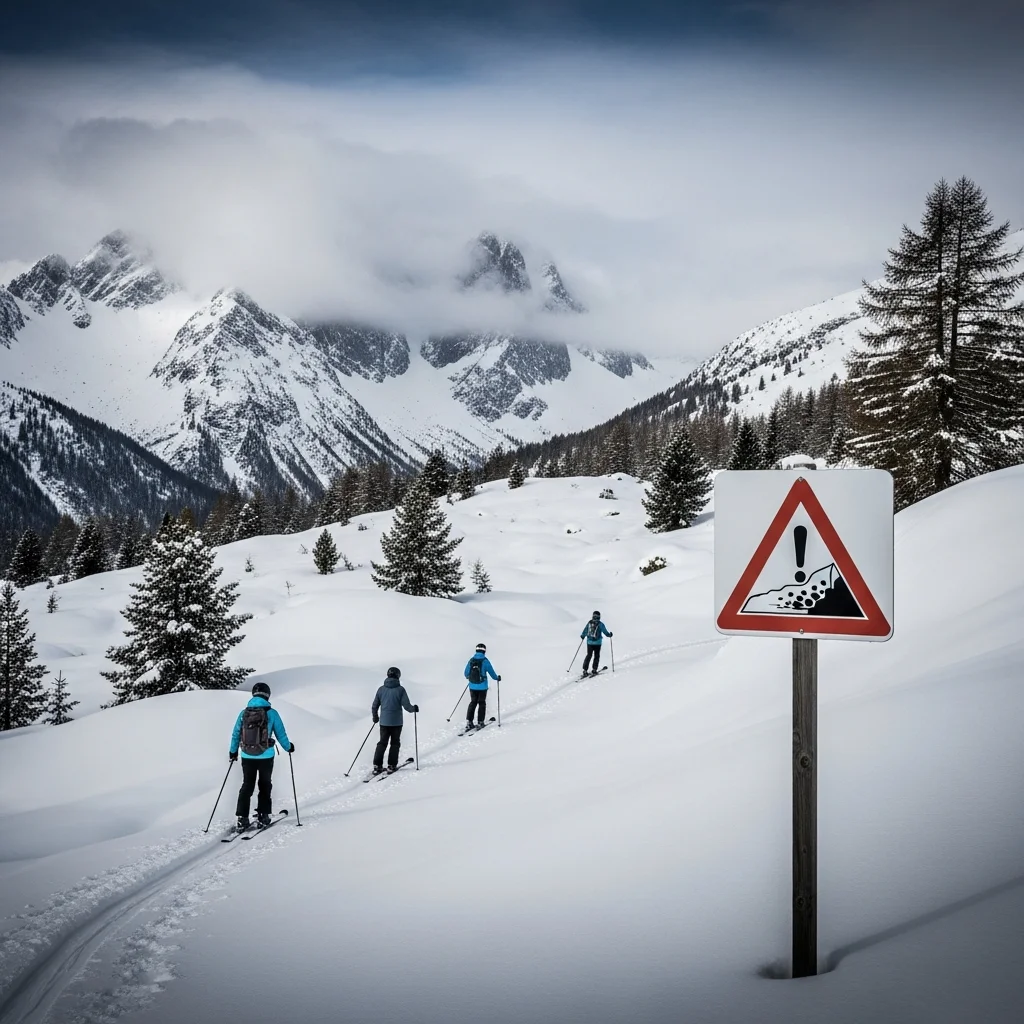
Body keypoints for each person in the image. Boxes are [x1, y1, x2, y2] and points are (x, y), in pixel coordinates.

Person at [229, 681, 294, 830]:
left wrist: (233, 752)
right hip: (266, 756)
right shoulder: (272, 713)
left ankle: (242, 817)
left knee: (247, 785)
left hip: (247, 755)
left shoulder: (244, 713)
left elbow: (236, 734)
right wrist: (288, 747)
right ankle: (263, 815)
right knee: (265, 785)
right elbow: (281, 734)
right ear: (267, 695)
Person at [372, 667, 419, 774]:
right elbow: (407, 706)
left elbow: (374, 705)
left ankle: (377, 765)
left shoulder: (381, 689)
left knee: (382, 743)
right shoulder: (400, 690)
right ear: (398, 676)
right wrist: (414, 709)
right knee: (395, 743)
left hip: (384, 722)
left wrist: (375, 717)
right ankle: (391, 765)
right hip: (397, 722)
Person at [464, 642, 500, 729]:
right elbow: (492, 673)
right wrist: (497, 678)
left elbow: (465, 673)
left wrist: (470, 677)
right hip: (482, 686)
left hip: (472, 686)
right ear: (484, 651)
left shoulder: (471, 660)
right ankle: (480, 722)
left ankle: (469, 722)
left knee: (473, 702)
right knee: (481, 703)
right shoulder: (485, 661)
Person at [580, 611, 612, 676]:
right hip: (598, 643)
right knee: (596, 656)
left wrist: (583, 636)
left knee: (589, 655)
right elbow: (605, 632)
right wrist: (609, 635)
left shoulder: (589, 623)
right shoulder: (600, 624)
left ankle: (585, 670)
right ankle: (594, 669)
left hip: (589, 642)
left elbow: (585, 630)